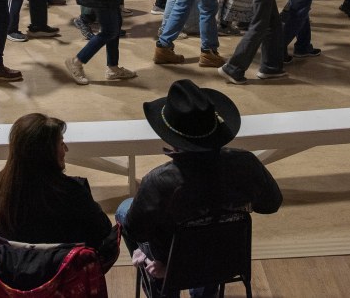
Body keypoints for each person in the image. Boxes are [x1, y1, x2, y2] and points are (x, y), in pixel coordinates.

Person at [116, 80, 282, 297]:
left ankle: (163, 289)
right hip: (227, 259)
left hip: (175, 264)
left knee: (124, 209)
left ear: (171, 137)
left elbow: (135, 229)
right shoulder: (246, 163)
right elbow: (271, 204)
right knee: (211, 234)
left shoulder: (158, 181)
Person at [0, 113, 119, 271]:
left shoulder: (0, 188)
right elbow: (102, 232)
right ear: (46, 153)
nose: (66, 149)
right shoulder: (73, 192)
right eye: (61, 143)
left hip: (15, 276)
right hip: (66, 277)